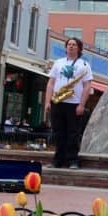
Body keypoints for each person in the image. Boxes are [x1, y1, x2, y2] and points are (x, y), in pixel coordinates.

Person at [44, 37, 93, 169]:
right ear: (66, 48)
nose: (71, 46)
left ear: (79, 48)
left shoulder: (84, 65)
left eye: (74, 44)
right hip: (58, 101)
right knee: (58, 132)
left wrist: (82, 105)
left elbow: (87, 86)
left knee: (73, 132)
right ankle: (57, 160)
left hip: (74, 103)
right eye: (69, 44)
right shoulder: (58, 63)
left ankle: (72, 160)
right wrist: (47, 102)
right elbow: (51, 83)